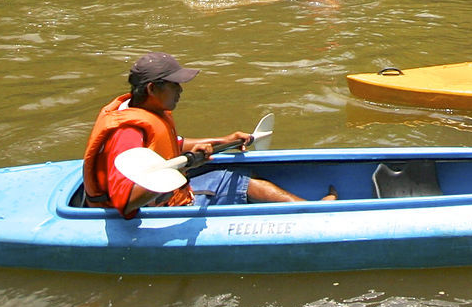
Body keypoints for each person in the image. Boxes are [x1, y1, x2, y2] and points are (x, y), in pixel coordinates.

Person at [81, 53, 333, 217]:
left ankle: (298, 209)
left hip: (166, 194)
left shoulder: (140, 110)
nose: (180, 90)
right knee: (247, 183)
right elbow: (126, 200)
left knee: (244, 174)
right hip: (159, 210)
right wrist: (177, 172)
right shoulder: (127, 133)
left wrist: (223, 141)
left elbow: (172, 145)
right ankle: (316, 214)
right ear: (151, 88)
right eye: (174, 84)